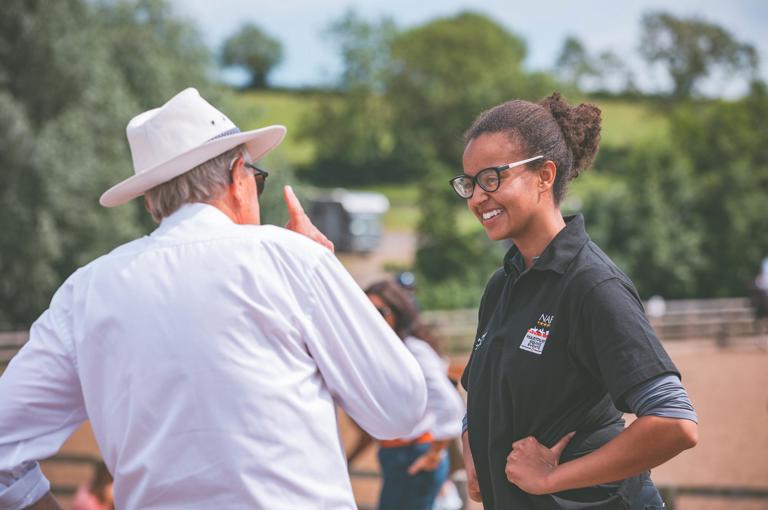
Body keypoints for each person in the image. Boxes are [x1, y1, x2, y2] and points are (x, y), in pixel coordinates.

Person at [0, 88, 427, 510]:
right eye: (257, 179)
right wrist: (325, 270)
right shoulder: (288, 257)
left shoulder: (86, 291)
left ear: (152, 200)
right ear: (238, 177)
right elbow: (400, 408)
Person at [453, 93, 699, 509]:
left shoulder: (592, 284)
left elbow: (674, 421)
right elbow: (484, 391)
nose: (477, 197)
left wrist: (552, 477)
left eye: (492, 178)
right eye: (469, 182)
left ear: (545, 175)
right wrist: (472, 445)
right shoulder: (502, 285)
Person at [346, 280, 465, 510]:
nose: (373, 318)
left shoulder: (412, 350)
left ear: (397, 313)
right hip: (396, 454)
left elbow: (449, 403)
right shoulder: (386, 352)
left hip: (414, 452)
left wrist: (434, 454)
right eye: (366, 311)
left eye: (380, 312)